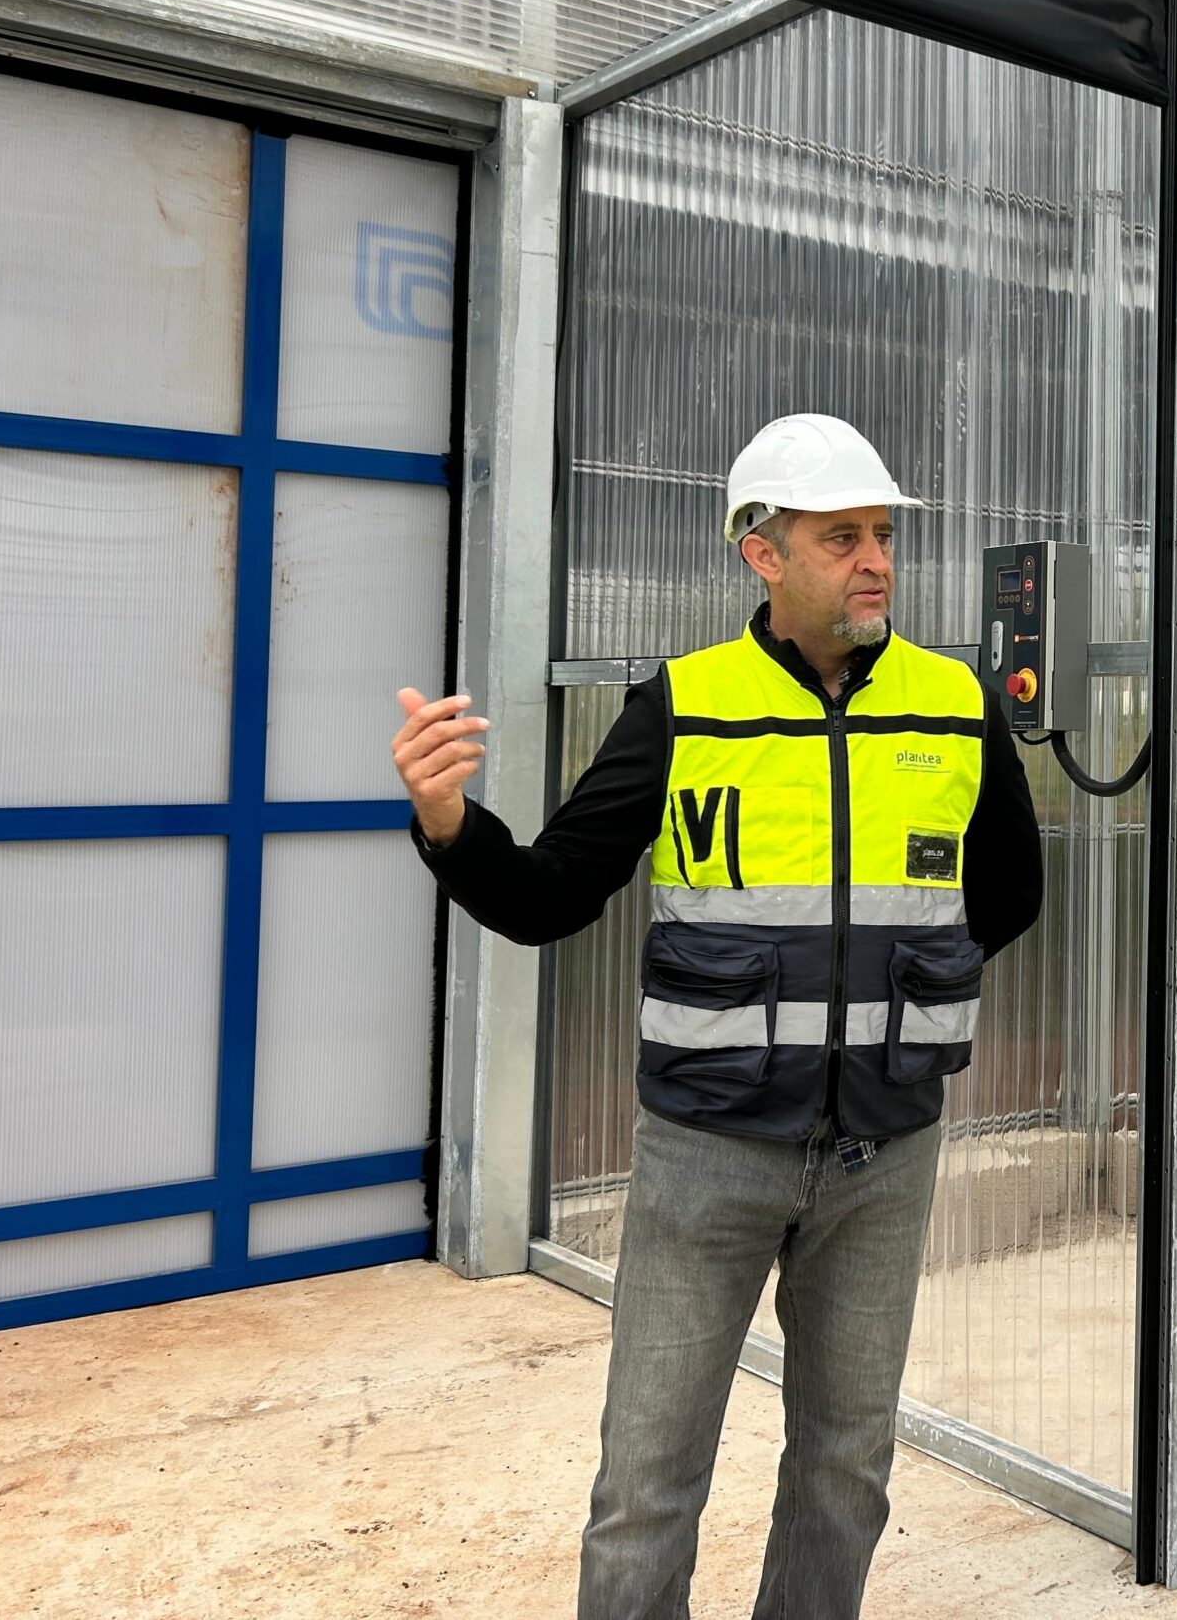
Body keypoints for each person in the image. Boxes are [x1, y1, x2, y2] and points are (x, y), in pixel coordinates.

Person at [391, 411, 1042, 1620]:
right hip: (707, 1156)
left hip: (883, 1154)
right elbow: (548, 893)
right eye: (842, 537)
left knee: (846, 1469)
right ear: (763, 552)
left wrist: (899, 1001)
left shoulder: (954, 703)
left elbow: (1008, 894)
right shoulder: (684, 704)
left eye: (883, 535)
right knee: (647, 1485)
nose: (876, 562)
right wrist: (448, 825)